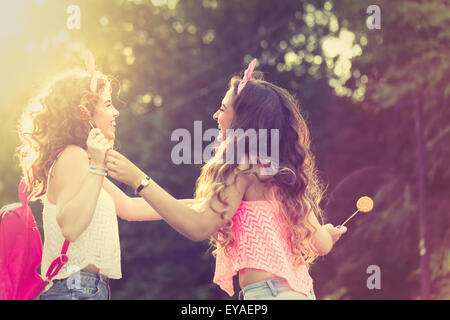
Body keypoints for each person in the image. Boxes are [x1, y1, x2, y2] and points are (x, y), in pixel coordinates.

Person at [105, 59, 347, 300]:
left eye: (222, 109)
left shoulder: (241, 167)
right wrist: (96, 170)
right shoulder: (285, 176)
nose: (215, 115)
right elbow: (322, 244)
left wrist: (139, 178)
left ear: (243, 119)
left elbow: (198, 226)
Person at [16, 53, 163, 300]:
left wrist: (201, 206)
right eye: (107, 104)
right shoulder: (74, 157)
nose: (115, 112)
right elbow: (71, 228)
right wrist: (97, 165)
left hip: (82, 289)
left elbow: (129, 207)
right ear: (84, 114)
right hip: (76, 289)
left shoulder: (82, 162)